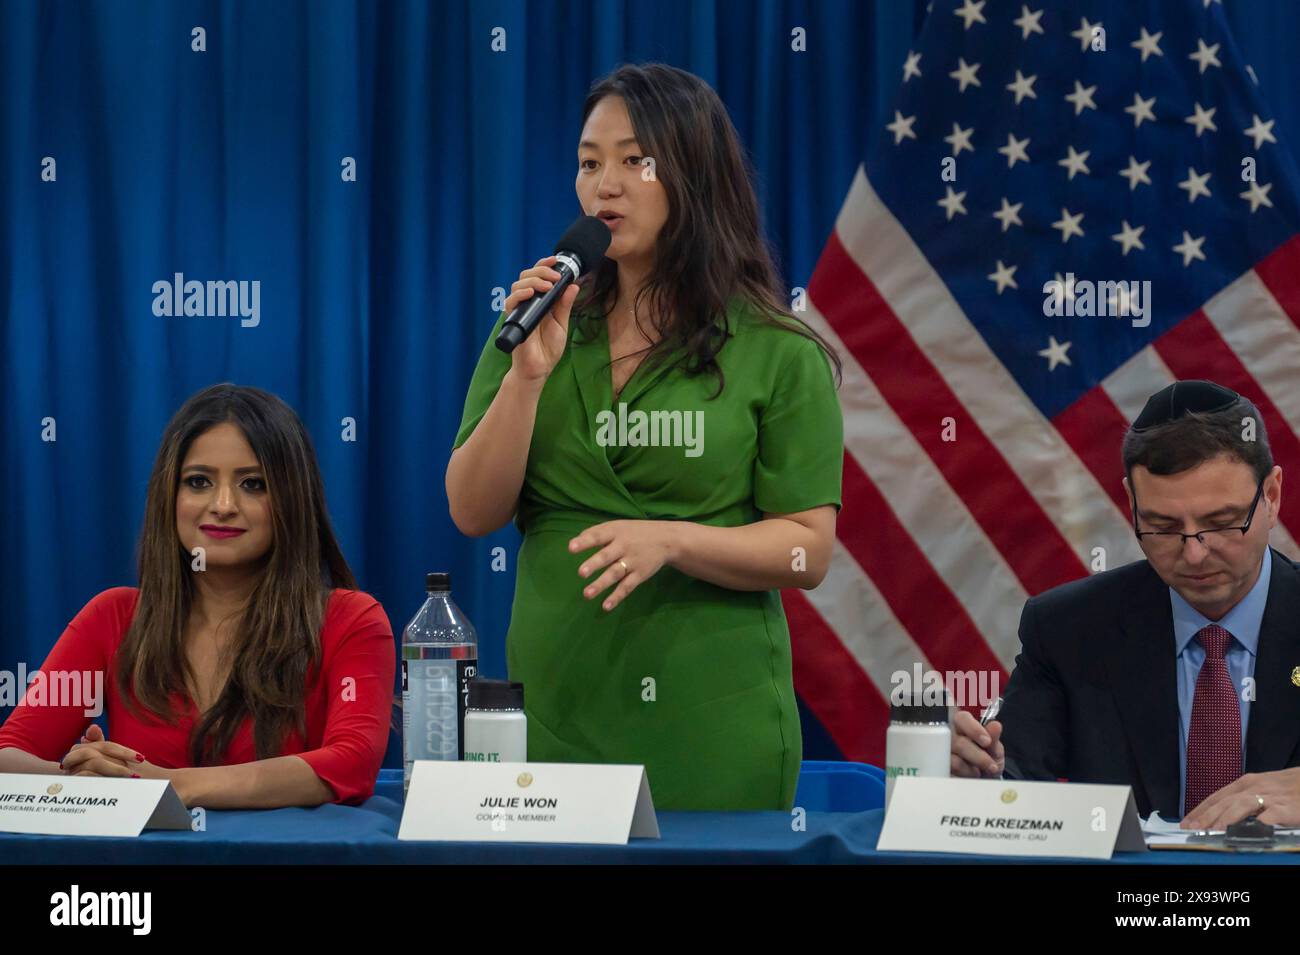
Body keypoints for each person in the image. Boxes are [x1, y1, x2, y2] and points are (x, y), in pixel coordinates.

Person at [445, 63, 844, 810]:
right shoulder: (539, 322)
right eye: (589, 163)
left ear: (694, 174)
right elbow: (472, 510)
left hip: (711, 723)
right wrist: (527, 377)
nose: (606, 184)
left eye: (636, 160)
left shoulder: (779, 350)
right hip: (557, 721)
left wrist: (673, 540)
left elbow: (807, 549)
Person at [0, 384, 395, 808]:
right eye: (199, 481)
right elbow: (10, 755)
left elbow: (351, 763)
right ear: (169, 495)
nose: (223, 504)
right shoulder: (112, 617)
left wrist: (170, 786)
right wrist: (95, 780)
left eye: (254, 484)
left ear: (293, 499)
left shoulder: (352, 620)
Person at [951, 379, 1300, 827]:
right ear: (1132, 505)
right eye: (1162, 525)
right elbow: (1013, 774)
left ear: (1271, 497)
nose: (1194, 553)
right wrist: (976, 773)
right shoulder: (1068, 627)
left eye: (1223, 522)